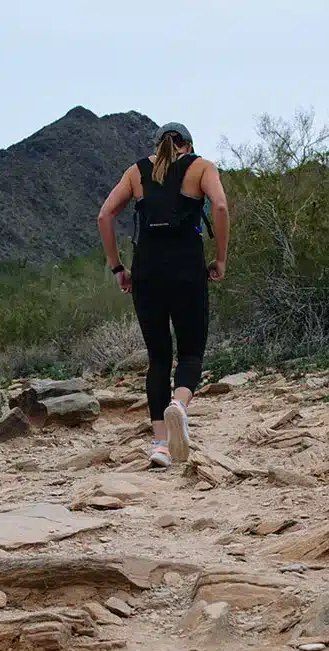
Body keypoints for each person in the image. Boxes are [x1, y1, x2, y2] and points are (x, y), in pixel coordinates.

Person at [96, 122, 230, 468]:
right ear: (188, 144)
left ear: (158, 146)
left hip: (147, 270)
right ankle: (180, 406)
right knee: (190, 352)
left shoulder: (136, 171)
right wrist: (220, 258)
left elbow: (105, 214)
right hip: (186, 267)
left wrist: (117, 268)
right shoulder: (201, 167)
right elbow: (220, 207)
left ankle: (160, 445)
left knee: (158, 358)